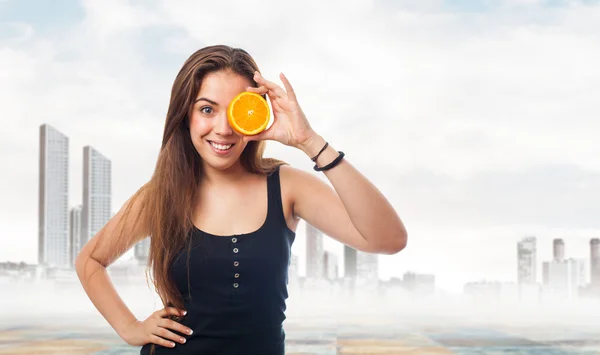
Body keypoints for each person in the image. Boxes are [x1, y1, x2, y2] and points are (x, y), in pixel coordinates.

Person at [75, 44, 407, 355]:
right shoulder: (161, 194)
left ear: (255, 113)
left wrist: (309, 141)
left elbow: (387, 239)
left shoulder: (286, 185)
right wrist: (129, 327)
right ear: (185, 115)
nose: (223, 129)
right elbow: (90, 260)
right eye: (206, 109)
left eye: (235, 111)